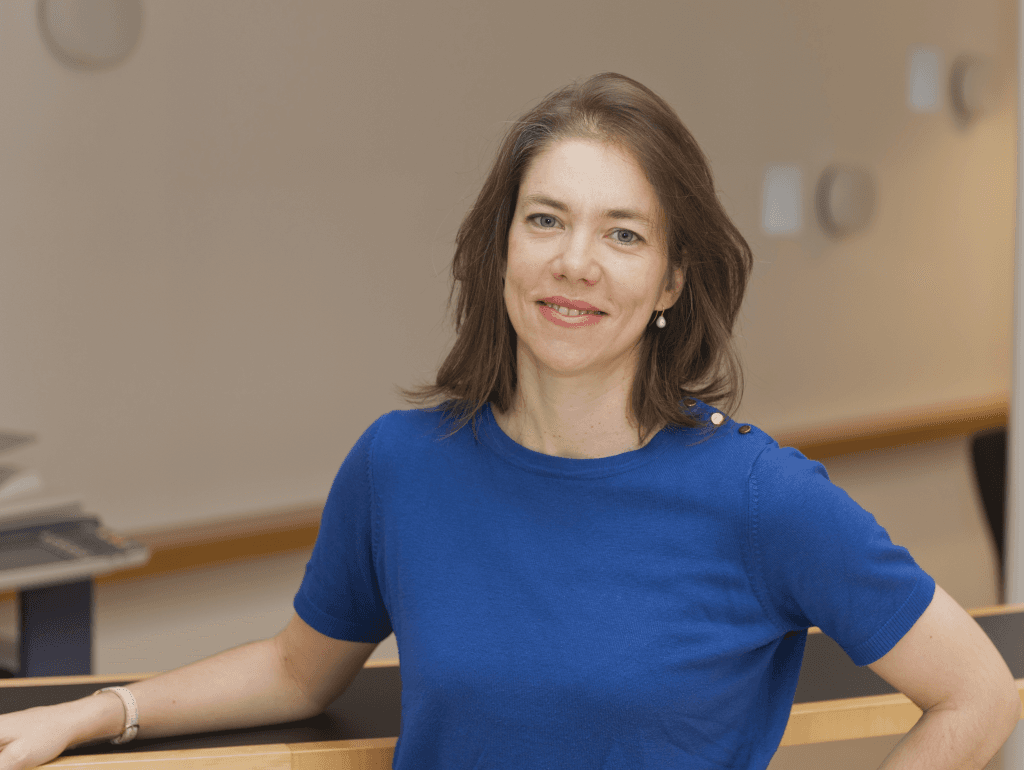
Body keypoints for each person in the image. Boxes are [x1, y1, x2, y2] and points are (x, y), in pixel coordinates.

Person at [0, 71, 1018, 770]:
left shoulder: (759, 496)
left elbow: (977, 691)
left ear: (669, 279)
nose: (576, 261)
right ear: (501, 252)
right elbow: (294, 665)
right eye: (546, 219)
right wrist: (96, 712)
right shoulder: (401, 465)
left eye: (622, 233)